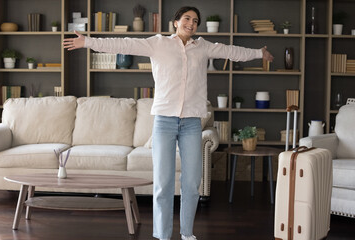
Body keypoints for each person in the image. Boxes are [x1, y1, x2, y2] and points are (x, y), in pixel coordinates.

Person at [63, 6, 274, 240]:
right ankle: (163, 235)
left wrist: (258, 53)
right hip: (164, 121)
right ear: (175, 22)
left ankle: (187, 233)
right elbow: (123, 43)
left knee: (192, 182)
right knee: (163, 184)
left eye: (195, 20)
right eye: (187, 18)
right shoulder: (157, 44)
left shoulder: (203, 47)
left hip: (192, 123)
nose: (191, 23)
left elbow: (232, 51)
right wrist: (88, 42)